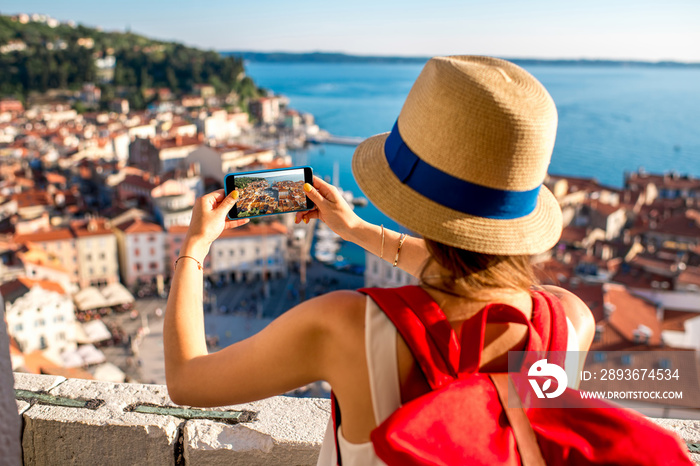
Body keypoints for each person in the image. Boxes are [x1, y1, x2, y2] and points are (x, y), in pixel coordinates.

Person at [163, 55, 595, 465]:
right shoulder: (571, 321)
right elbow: (476, 280)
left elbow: (187, 381)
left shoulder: (347, 326)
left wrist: (194, 247)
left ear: (412, 199)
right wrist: (354, 230)